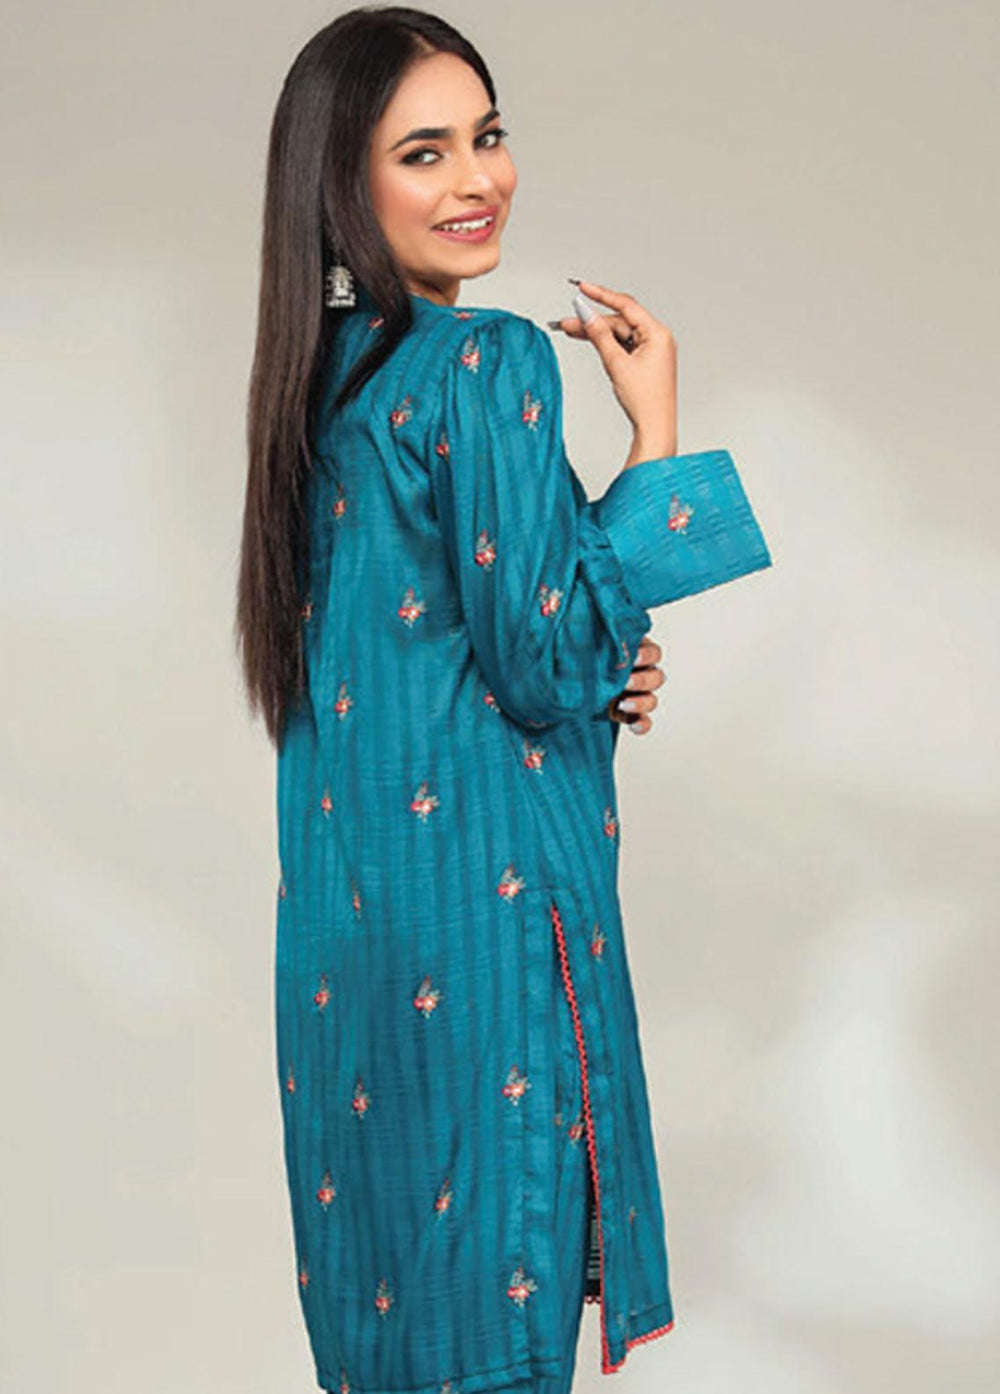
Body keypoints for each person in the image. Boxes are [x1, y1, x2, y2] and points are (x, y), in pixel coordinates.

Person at [234, 8, 773, 1393]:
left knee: (395, 1347)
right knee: (493, 1347)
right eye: (424, 153)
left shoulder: (317, 388)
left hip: (353, 960)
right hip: (485, 947)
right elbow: (547, 661)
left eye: (488, 136)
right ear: (342, 181)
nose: (478, 180)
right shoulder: (488, 361)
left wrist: (596, 646)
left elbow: (471, 648)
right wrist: (656, 432)